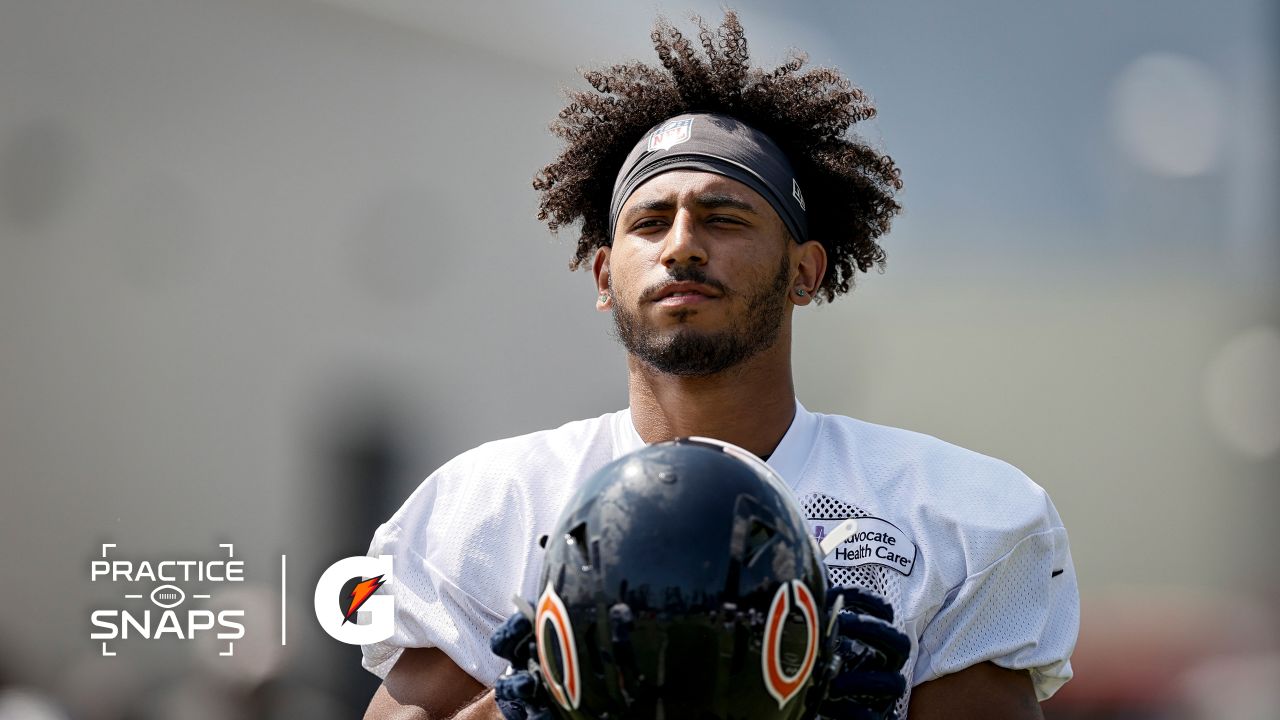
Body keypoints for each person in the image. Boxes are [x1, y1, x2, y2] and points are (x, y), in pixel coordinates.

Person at [361, 10, 1078, 720]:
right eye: (650, 222)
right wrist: (517, 713)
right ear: (605, 276)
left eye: (724, 218)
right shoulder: (490, 509)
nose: (681, 246)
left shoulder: (947, 516)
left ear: (806, 271)